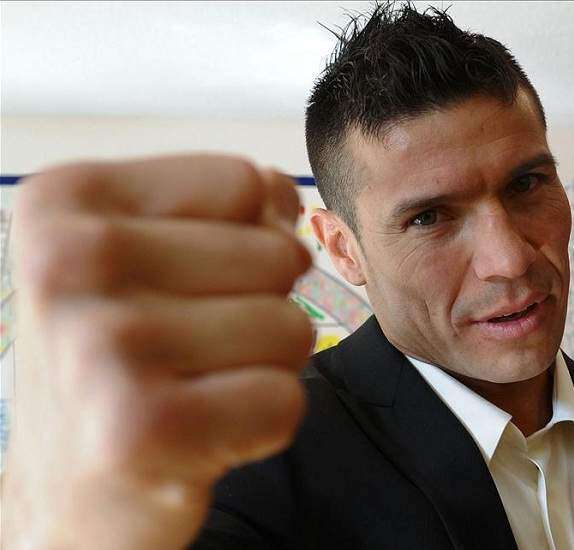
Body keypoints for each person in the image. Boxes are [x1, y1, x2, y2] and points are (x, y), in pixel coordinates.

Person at [3, 2, 572, 549]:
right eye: (428, 218)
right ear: (343, 249)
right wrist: (61, 529)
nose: (509, 260)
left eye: (527, 184)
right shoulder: (255, 456)